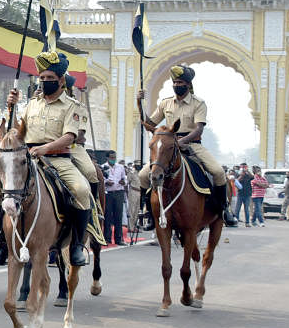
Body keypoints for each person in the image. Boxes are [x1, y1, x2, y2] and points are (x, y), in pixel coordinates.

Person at [0, 51, 92, 266]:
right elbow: (17, 132)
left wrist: (44, 149)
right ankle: (3, 242)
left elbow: (70, 137)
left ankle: (77, 245)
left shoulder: (72, 105)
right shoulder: (32, 104)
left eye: (50, 79)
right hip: (28, 160)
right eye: (42, 79)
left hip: (58, 159)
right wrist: (11, 108)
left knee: (81, 189)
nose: (44, 83)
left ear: (61, 80)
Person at [136, 65, 238, 226]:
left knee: (218, 173)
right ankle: (148, 211)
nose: (177, 85)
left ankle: (224, 209)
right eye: (175, 82)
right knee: (143, 175)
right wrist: (139, 102)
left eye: (181, 82)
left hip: (192, 144)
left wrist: (181, 142)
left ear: (188, 85)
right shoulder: (166, 103)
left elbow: (199, 129)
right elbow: (149, 123)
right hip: (169, 146)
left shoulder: (198, 103)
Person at [101, 150, 128, 245]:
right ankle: (107, 238)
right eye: (111, 157)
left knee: (118, 216)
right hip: (108, 193)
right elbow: (101, 180)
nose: (113, 159)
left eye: (114, 157)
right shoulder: (103, 167)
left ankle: (118, 239)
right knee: (107, 216)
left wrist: (123, 182)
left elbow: (125, 179)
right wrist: (106, 182)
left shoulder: (120, 167)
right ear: (107, 158)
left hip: (119, 193)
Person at [127, 159, 143, 235]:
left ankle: (135, 226)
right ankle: (130, 227)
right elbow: (128, 182)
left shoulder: (142, 173)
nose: (139, 166)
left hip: (140, 192)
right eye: (137, 165)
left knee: (137, 210)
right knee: (132, 210)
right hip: (133, 191)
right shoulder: (131, 172)